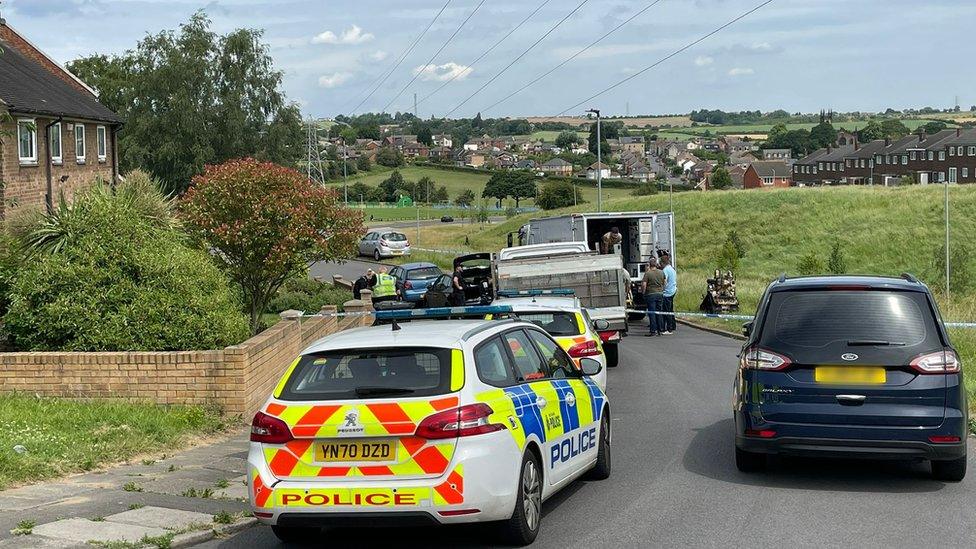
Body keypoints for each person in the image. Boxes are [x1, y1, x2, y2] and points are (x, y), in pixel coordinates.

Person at [641, 258, 666, 336]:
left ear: (650, 265)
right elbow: (665, 282)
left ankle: (653, 330)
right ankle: (660, 330)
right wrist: (662, 290)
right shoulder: (662, 272)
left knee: (652, 313)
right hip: (660, 294)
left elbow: (644, 284)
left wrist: (643, 292)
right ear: (656, 264)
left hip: (651, 294)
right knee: (659, 312)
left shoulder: (648, 273)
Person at [661, 253, 677, 334]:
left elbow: (664, 281)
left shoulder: (665, 270)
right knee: (670, 310)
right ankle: (673, 326)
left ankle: (668, 329)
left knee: (666, 311)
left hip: (667, 293)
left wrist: (662, 290)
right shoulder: (672, 269)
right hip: (673, 290)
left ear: (662, 263)